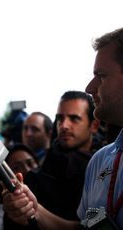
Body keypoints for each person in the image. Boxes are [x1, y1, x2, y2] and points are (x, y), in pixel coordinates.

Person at [2, 27, 123, 229]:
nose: (90, 87)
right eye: (60, 118)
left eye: (101, 75)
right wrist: (35, 209)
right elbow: (83, 228)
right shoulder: (101, 161)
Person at [25, 90, 100, 220]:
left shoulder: (106, 165)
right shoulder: (37, 176)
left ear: (93, 125)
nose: (64, 125)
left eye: (74, 118)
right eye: (60, 118)